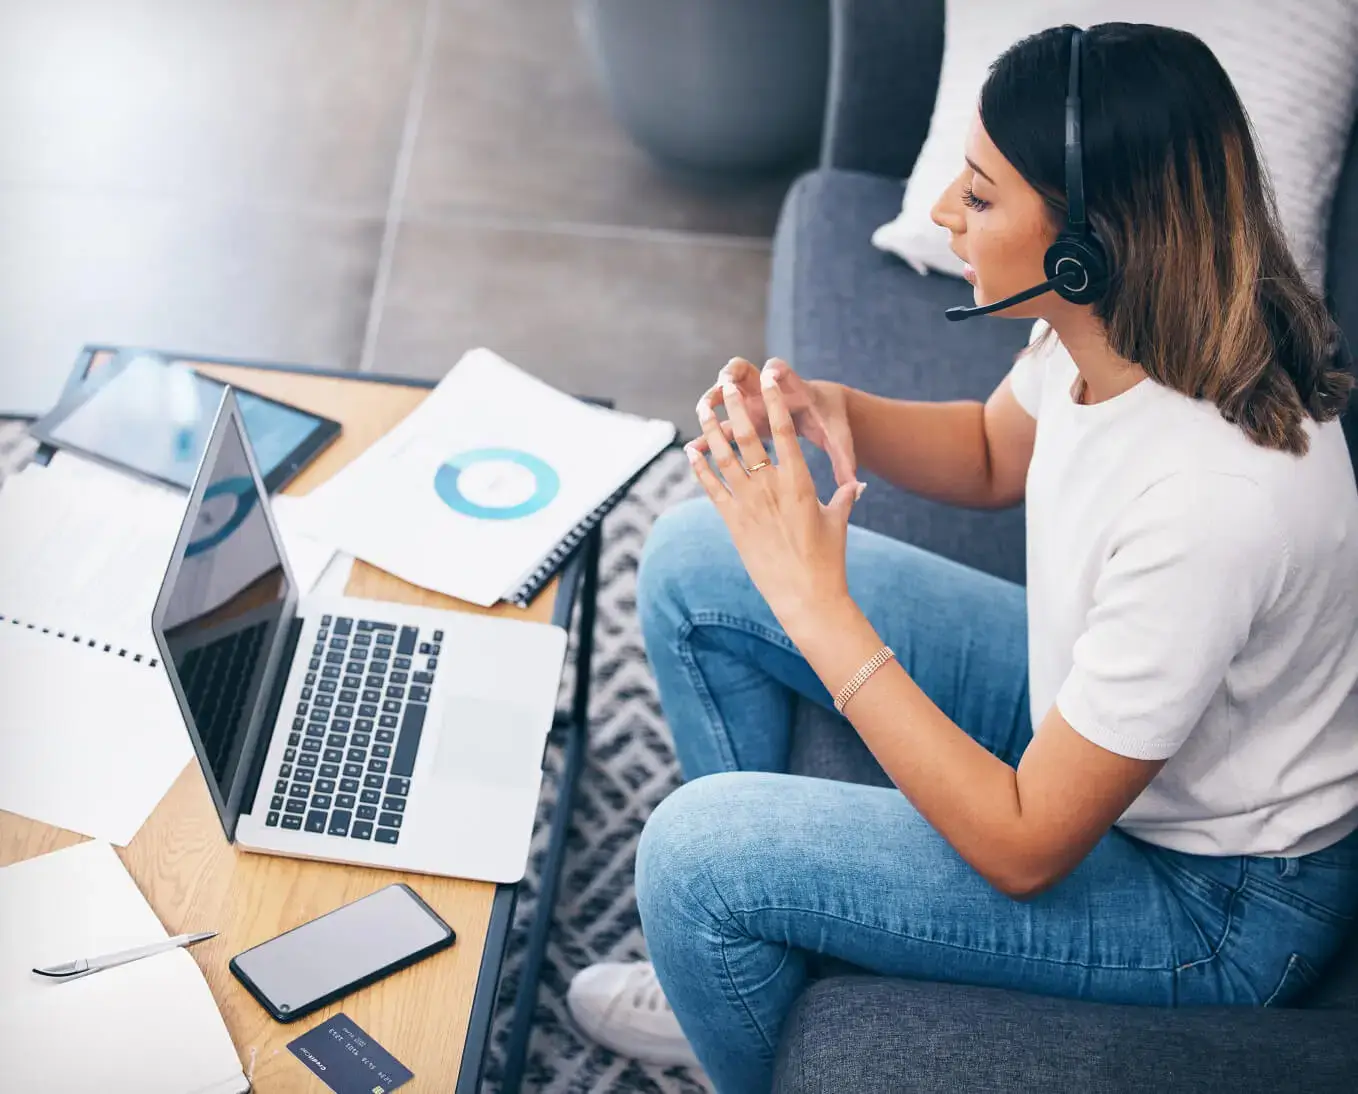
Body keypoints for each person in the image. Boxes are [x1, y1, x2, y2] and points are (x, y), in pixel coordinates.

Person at [567, 22, 1358, 1093]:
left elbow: (1029, 841)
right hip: (1103, 727)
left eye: (979, 196)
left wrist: (819, 605)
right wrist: (826, 407)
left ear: (1089, 240)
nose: (944, 210)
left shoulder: (1214, 506)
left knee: (693, 854)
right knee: (697, 553)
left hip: (1217, 903)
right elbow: (993, 450)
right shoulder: (1119, 319)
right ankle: (760, 928)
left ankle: (733, 943)